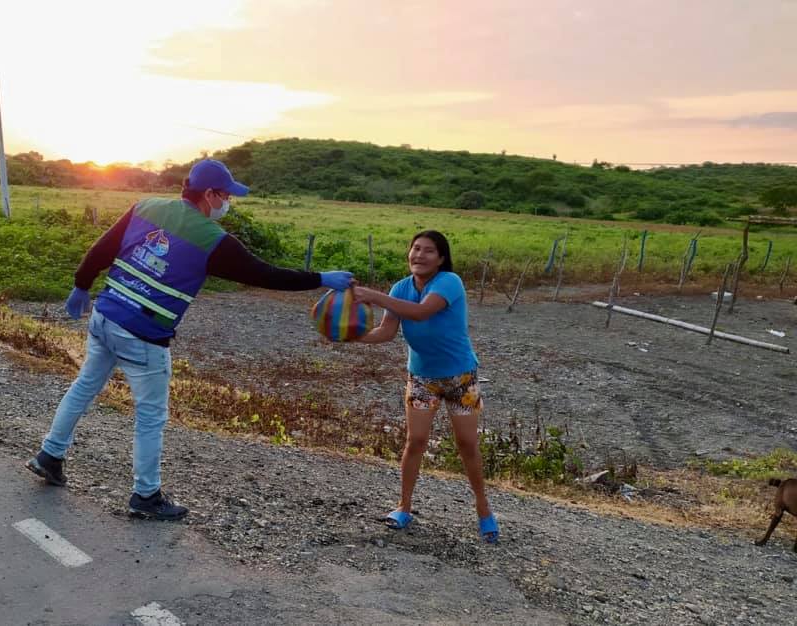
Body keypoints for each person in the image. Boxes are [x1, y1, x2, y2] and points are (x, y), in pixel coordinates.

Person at [25, 159, 353, 520]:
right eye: (226, 195)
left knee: (85, 385)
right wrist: (320, 278)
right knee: (150, 415)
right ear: (209, 194)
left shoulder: (145, 207)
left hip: (106, 315)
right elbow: (265, 275)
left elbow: (102, 249)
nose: (228, 202)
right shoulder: (214, 240)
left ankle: (50, 455)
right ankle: (146, 495)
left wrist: (81, 285)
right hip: (143, 333)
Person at [353, 230, 498, 543]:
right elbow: (386, 332)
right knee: (415, 440)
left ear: (441, 258)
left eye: (428, 250)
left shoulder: (449, 282)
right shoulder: (400, 288)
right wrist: (352, 336)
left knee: (467, 444)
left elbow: (421, 312)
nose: (419, 255)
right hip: (422, 378)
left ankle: (483, 508)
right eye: (415, 248)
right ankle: (404, 507)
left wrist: (374, 296)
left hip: (460, 378)